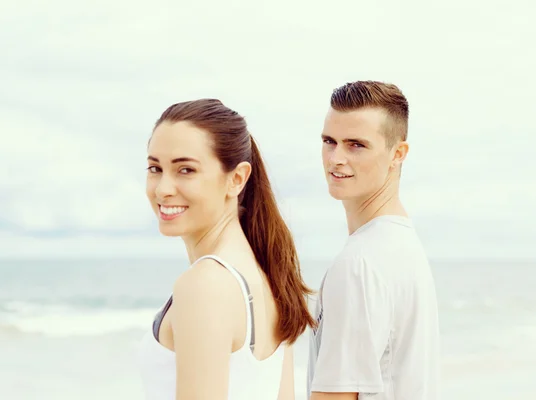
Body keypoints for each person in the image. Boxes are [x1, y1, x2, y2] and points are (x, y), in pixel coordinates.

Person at [138, 98, 315, 400]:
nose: (163, 189)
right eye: (155, 168)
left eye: (185, 170)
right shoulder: (268, 274)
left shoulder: (205, 284)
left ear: (236, 179)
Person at [306, 81, 440, 400]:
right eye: (329, 141)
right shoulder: (402, 245)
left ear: (398, 154)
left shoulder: (360, 263)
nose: (336, 158)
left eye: (356, 145)